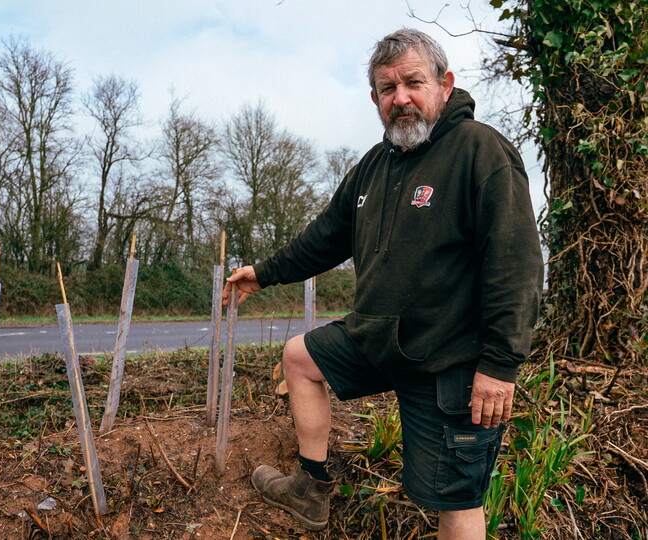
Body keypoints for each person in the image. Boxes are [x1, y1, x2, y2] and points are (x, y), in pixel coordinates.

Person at [224, 28, 544, 539]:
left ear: (444, 84)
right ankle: (311, 488)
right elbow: (326, 237)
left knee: (455, 501)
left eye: (413, 83)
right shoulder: (377, 164)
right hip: (381, 338)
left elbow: (517, 266)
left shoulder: (480, 152)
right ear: (375, 99)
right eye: (387, 89)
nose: (401, 99)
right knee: (300, 357)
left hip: (450, 361)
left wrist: (500, 365)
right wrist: (264, 273)